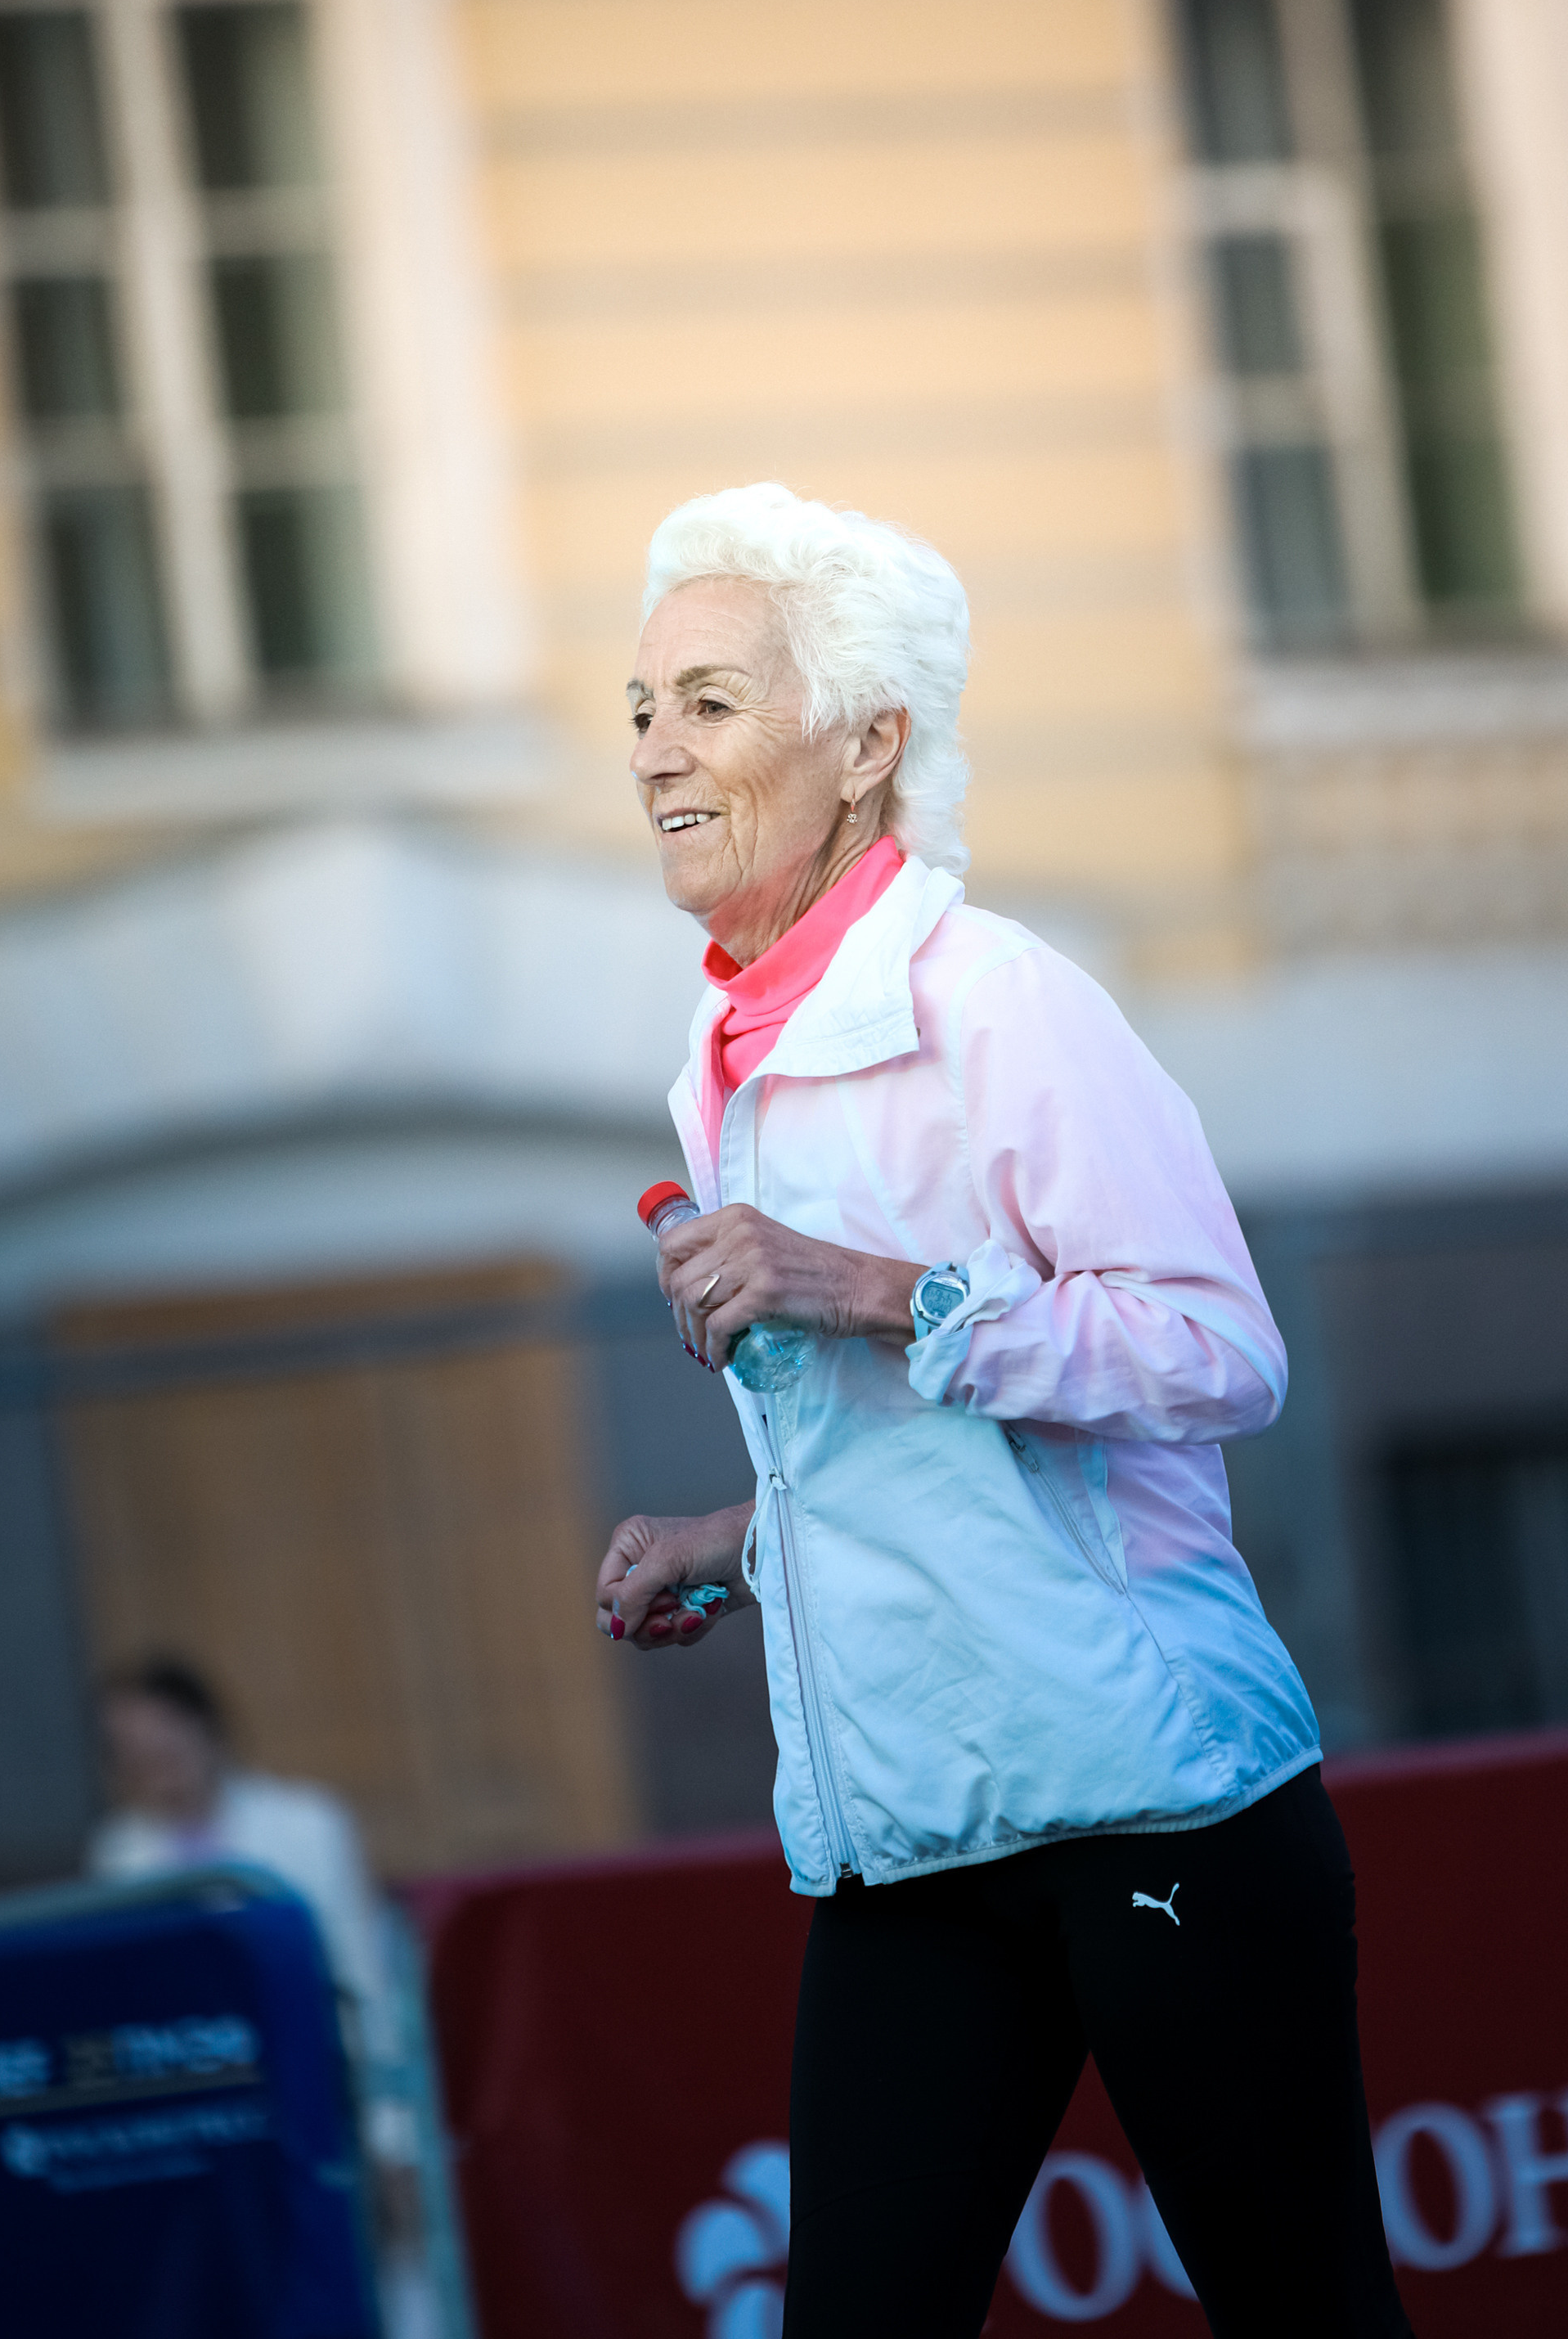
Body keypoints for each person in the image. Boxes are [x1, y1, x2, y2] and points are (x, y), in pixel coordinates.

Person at [595, 484, 1413, 2338]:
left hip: (1159, 1811)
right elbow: (911, 1456)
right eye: (636, 707)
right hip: (909, 1843)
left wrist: (859, 1283)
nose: (651, 752)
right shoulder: (718, 1062)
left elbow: (1217, 1347)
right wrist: (729, 1538)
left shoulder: (1000, 1002)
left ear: (868, 744)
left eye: (707, 703)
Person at [88, 1657, 429, 2304]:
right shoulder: (120, 1856)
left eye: (167, 1739)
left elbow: (365, 1981)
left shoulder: (307, 1824)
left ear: (207, 1728)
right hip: (216, 2128)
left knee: (382, 2288)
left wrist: (394, 2134)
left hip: (325, 2097)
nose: (158, 1764)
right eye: (135, 1754)